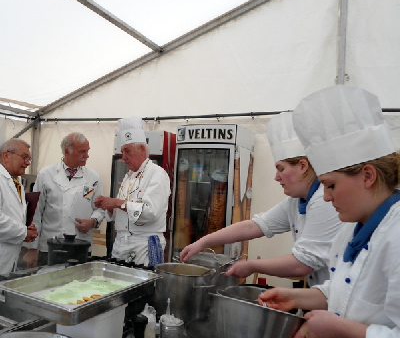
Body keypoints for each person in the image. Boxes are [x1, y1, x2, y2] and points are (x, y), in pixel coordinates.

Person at [260, 85, 400, 338]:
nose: (324, 197)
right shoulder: (352, 226)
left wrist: (340, 329)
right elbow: (342, 290)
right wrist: (295, 296)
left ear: (368, 175)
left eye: (331, 186)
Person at [180, 112, 342, 287]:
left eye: (281, 169)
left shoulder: (324, 201)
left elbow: (302, 264)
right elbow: (254, 226)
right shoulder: (295, 202)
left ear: (303, 166)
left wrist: (251, 266)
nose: (276, 177)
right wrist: (202, 242)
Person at [94, 116, 170, 266]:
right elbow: (121, 212)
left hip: (143, 246)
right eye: (122, 152)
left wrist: (117, 202)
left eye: (127, 151)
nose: (124, 158)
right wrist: (109, 206)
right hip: (121, 244)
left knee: (140, 288)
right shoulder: (128, 177)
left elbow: (150, 212)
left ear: (141, 149)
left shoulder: (157, 174)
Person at [23, 132, 105, 268]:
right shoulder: (46, 174)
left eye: (87, 151)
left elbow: (100, 208)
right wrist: (32, 248)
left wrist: (92, 221)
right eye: (82, 152)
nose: (87, 156)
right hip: (49, 247)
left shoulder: (93, 177)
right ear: (67, 151)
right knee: (48, 285)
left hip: (81, 246)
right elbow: (35, 213)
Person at [0, 138, 38, 276]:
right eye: (24, 157)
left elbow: (11, 214)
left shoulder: (16, 180)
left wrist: (26, 229)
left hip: (8, 258)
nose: (27, 162)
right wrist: (22, 232)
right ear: (6, 156)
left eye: (29, 159)